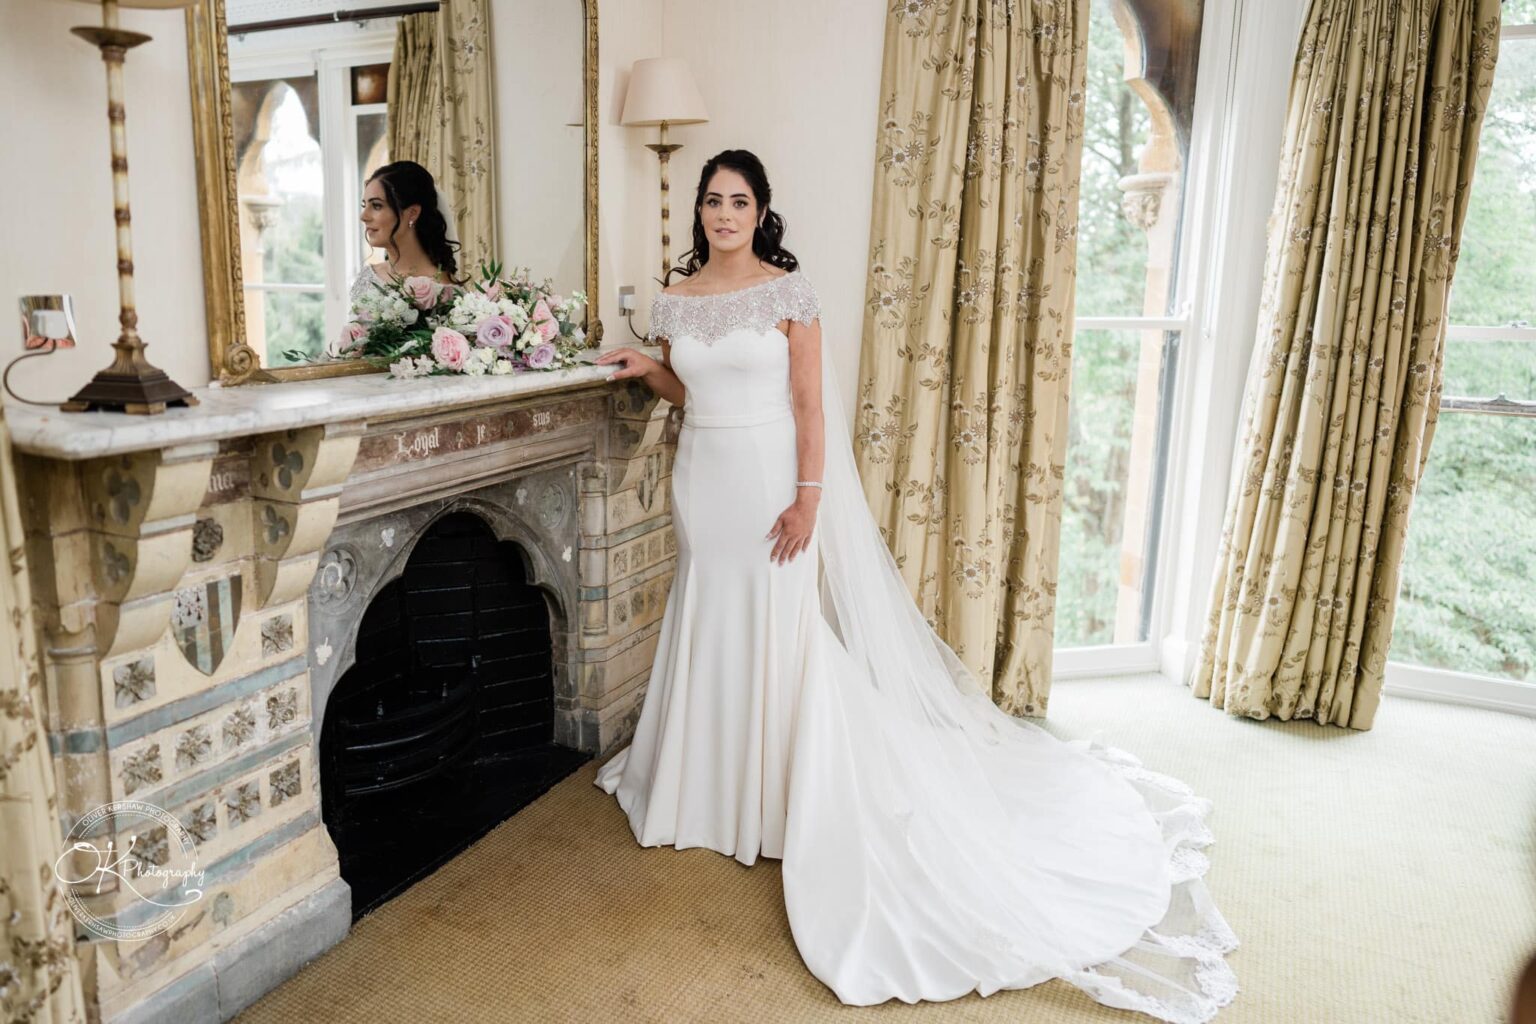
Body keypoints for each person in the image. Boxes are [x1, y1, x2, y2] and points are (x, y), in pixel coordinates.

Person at [592, 149, 1238, 1022]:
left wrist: (809, 499)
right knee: (710, 616)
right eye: (713, 200)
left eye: (739, 200)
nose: (724, 214)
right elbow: (686, 389)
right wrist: (646, 368)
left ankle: (773, 799)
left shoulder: (790, 291)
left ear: (762, 210)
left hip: (772, 479)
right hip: (703, 480)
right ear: (699, 210)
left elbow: (813, 407)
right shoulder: (677, 298)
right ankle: (704, 787)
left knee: (782, 634)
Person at [329, 160, 460, 358]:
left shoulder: (446, 292)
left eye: (376, 206)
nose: (363, 216)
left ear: (412, 213)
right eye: (365, 205)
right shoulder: (368, 276)